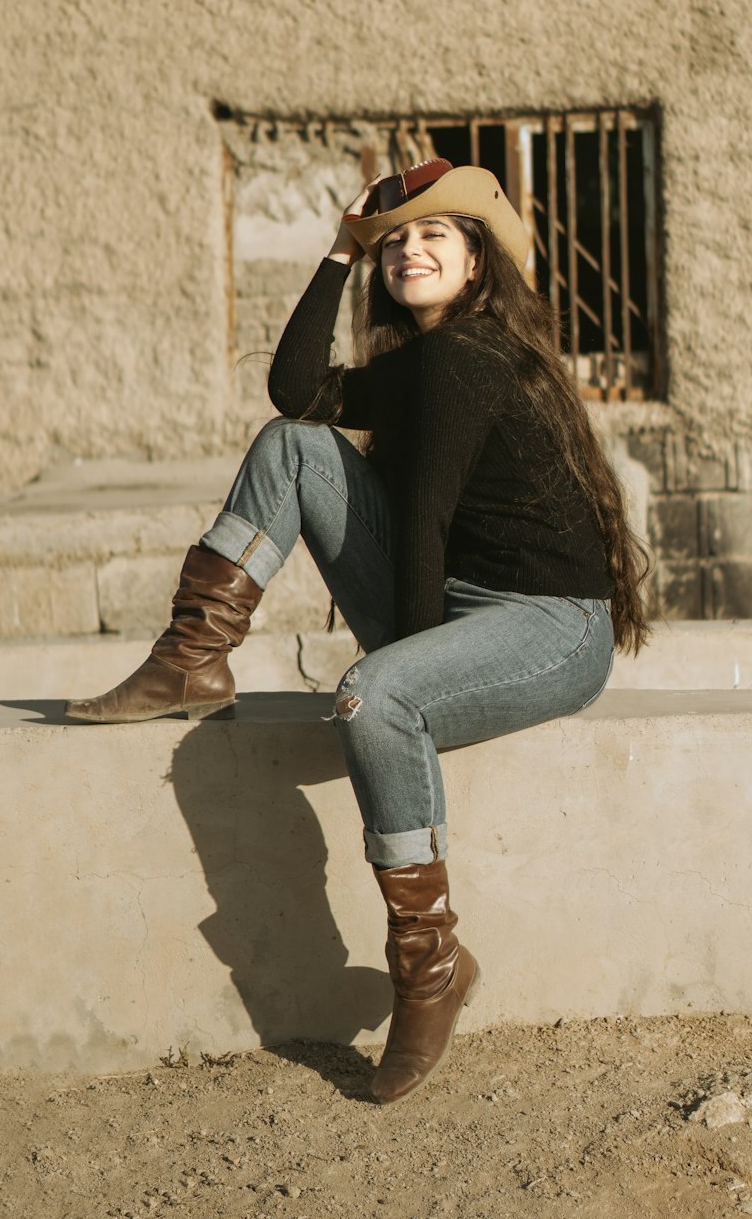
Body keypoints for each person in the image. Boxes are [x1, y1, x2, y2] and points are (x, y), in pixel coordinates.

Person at [65, 159, 650, 1103]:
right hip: (457, 602)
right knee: (293, 446)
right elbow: (293, 391)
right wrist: (340, 249)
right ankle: (194, 653)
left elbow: (420, 517)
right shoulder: (419, 360)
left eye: (435, 237)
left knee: (377, 696)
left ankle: (429, 968)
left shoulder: (470, 356)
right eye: (396, 242)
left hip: (547, 628)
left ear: (478, 261)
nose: (408, 252)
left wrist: (398, 674)